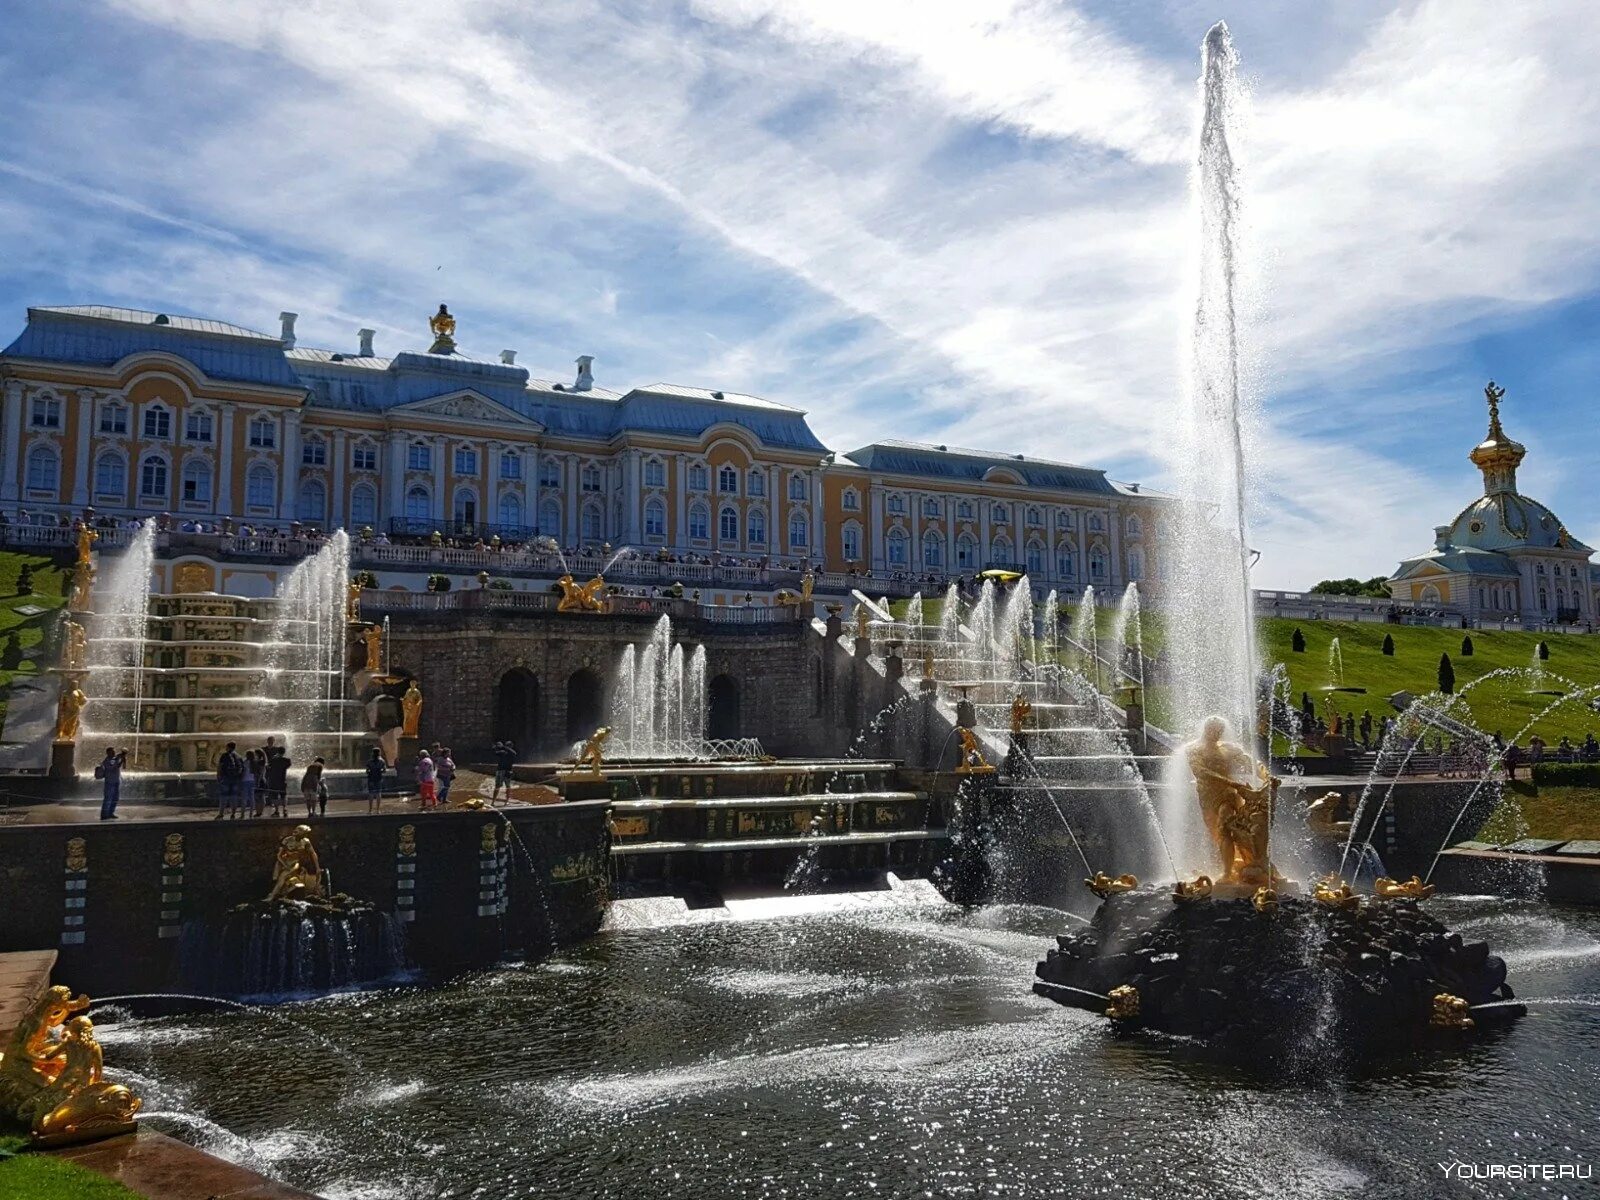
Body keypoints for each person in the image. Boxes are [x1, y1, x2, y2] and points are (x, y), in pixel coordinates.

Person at [215, 742, 245, 820]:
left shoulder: (224, 755)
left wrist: (218, 776)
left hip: (225, 778)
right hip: (235, 779)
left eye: (226, 747)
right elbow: (242, 768)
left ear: (228, 747)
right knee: (234, 797)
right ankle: (233, 814)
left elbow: (220, 766)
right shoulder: (239, 756)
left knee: (223, 797)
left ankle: (221, 814)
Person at [94, 747, 126, 820]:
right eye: (112, 752)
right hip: (109, 782)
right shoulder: (107, 761)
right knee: (108, 798)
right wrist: (120, 760)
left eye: (114, 752)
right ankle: (104, 815)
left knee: (115, 798)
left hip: (116, 781)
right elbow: (114, 767)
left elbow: (121, 766)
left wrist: (122, 758)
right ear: (108, 753)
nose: (114, 753)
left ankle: (110, 813)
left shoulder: (113, 759)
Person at [262, 746, 291, 818]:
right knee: (283, 795)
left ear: (277, 751)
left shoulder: (273, 760)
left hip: (274, 780)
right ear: (284, 752)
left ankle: (276, 811)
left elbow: (268, 768)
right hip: (282, 780)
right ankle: (284, 810)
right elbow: (287, 766)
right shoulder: (287, 760)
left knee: (274, 796)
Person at [365, 747, 388, 814]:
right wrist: (379, 770)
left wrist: (370, 771)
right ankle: (378, 810)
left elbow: (367, 770)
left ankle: (370, 810)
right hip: (378, 779)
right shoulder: (382, 761)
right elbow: (384, 770)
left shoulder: (369, 761)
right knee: (378, 794)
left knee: (371, 794)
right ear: (379, 753)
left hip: (371, 779)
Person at [240, 749, 260, 820]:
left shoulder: (245, 762)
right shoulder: (255, 763)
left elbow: (242, 772)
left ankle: (242, 814)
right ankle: (251, 814)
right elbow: (257, 774)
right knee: (252, 798)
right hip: (252, 781)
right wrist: (257, 782)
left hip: (245, 781)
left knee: (244, 798)